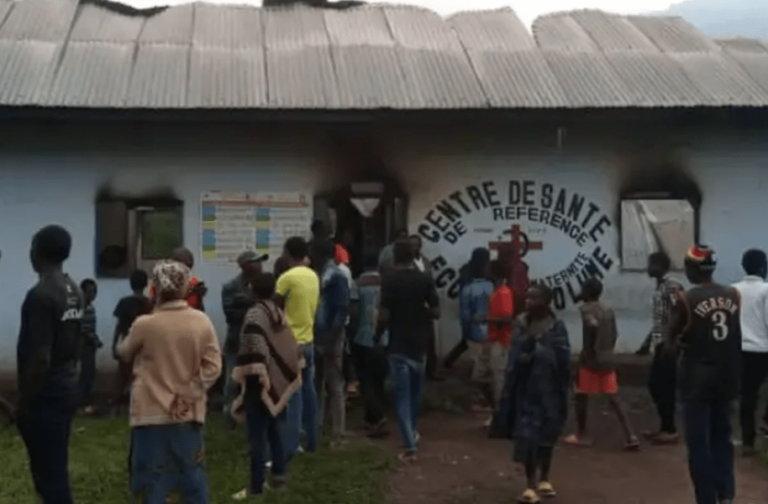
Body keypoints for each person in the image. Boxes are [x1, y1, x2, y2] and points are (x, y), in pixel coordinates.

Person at [117, 260, 222, 504]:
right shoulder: (201, 322)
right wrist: (190, 391)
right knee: (191, 474)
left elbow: (123, 352)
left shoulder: (145, 324)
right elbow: (214, 366)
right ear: (186, 287)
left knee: (152, 478)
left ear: (154, 289)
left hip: (149, 413)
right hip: (187, 413)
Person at [663, 245, 741, 504]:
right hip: (728, 377)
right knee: (723, 438)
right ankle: (726, 493)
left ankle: (706, 498)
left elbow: (669, 347)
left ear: (692, 269)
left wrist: (677, 343)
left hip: (696, 381)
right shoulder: (733, 295)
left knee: (699, 444)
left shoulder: (685, 300)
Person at [16, 225, 83, 504]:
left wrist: (24, 400)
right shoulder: (73, 288)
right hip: (66, 387)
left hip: (45, 395)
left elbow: (41, 357)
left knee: (49, 477)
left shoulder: (40, 295)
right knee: (55, 468)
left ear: (37, 252)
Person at [230, 273, 302, 500]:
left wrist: (254, 377)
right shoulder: (278, 312)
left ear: (252, 289)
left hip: (257, 382)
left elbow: (253, 351)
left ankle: (257, 486)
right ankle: (280, 477)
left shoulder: (255, 314)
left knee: (257, 437)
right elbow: (290, 347)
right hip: (277, 381)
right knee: (276, 431)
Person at [506, 284, 571, 503]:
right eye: (528, 298)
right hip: (526, 391)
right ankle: (530, 484)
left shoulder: (557, 327)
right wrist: (523, 358)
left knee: (547, 437)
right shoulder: (521, 324)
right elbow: (514, 353)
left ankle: (545, 478)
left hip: (550, 391)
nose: (528, 302)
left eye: (534, 298)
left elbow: (563, 358)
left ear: (546, 302)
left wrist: (541, 354)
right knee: (528, 438)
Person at [379, 239, 440, 462]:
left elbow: (384, 316)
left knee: (402, 398)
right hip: (419, 345)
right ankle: (411, 433)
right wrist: (419, 313)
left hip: (398, 345)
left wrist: (377, 336)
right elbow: (436, 311)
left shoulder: (391, 281)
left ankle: (409, 445)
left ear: (395, 257)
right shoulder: (424, 279)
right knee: (414, 396)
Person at [563, 278, 639, 450]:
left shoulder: (586, 309)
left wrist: (587, 352)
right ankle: (631, 435)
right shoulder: (608, 310)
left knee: (581, 394)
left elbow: (591, 326)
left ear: (587, 293)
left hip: (592, 357)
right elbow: (614, 333)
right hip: (607, 356)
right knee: (614, 397)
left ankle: (582, 434)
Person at [276, 237, 320, 455]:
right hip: (309, 340)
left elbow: (274, 310)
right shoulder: (313, 276)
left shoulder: (286, 278)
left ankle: (291, 445)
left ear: (287, 253)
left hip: (290, 343)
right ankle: (312, 439)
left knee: (293, 397)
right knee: (309, 393)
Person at [637, 251, 684, 444]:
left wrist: (671, 341)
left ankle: (670, 429)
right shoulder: (661, 286)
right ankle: (665, 427)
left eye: (651, 264)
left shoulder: (671, 285)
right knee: (658, 385)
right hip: (660, 342)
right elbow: (662, 318)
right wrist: (647, 341)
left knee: (662, 385)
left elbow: (679, 311)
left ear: (659, 266)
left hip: (668, 344)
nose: (648, 268)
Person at [221, 251, 268, 424]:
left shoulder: (264, 285)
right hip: (237, 341)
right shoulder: (231, 287)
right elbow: (231, 315)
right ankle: (229, 417)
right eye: (255, 262)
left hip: (259, 342)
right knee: (232, 382)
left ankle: (253, 417)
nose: (260, 266)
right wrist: (252, 305)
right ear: (244, 265)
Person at [314, 238, 351, 445]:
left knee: (334, 383)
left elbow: (341, 309)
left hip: (331, 336)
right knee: (319, 382)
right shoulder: (324, 275)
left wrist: (331, 338)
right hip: (322, 334)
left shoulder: (335, 276)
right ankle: (318, 427)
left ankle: (338, 431)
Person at [732, 248, 768, 455]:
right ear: (763, 267)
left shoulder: (733, 290)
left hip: (740, 349)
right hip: (763, 349)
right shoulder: (766, 290)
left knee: (747, 396)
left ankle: (747, 441)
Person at [351, 252, 389, 437]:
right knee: (379, 381)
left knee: (366, 382)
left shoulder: (357, 285)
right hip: (385, 339)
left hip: (363, 338)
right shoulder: (387, 283)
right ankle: (371, 418)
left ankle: (378, 417)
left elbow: (354, 312)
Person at [460, 248, 495, 413]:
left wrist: (466, 332)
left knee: (477, 366)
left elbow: (465, 315)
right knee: (489, 367)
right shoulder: (493, 286)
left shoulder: (468, 288)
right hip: (492, 330)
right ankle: (488, 400)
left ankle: (477, 399)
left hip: (475, 331)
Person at [480, 259, 515, 427]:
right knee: (481, 377)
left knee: (498, 381)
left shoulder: (504, 292)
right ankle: (497, 412)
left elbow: (508, 318)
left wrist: (487, 318)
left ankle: (501, 417)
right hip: (492, 339)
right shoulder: (497, 290)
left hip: (500, 342)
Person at [111, 270, 152, 409]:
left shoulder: (124, 303)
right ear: (146, 284)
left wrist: (114, 344)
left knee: (122, 375)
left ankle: (115, 406)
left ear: (130, 284)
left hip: (127, 341)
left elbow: (119, 326)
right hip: (144, 344)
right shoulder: (149, 304)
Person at [410, 234, 440, 380]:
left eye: (417, 244)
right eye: (412, 244)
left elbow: (431, 283)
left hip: (426, 306)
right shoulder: (406, 264)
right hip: (413, 306)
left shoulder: (426, 262)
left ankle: (431, 372)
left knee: (430, 341)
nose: (415, 247)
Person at [148, 247, 207, 311]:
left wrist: (199, 297)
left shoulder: (193, 283)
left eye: (189, 267)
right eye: (184, 266)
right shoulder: (160, 282)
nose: (187, 271)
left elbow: (199, 313)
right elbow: (151, 308)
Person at [78, 279, 102, 414]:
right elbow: (80, 328)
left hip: (90, 346)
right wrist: (92, 339)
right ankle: (80, 404)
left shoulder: (90, 308)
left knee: (90, 374)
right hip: (82, 346)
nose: (92, 295)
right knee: (83, 375)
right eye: (90, 292)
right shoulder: (78, 308)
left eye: (94, 292)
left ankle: (86, 402)